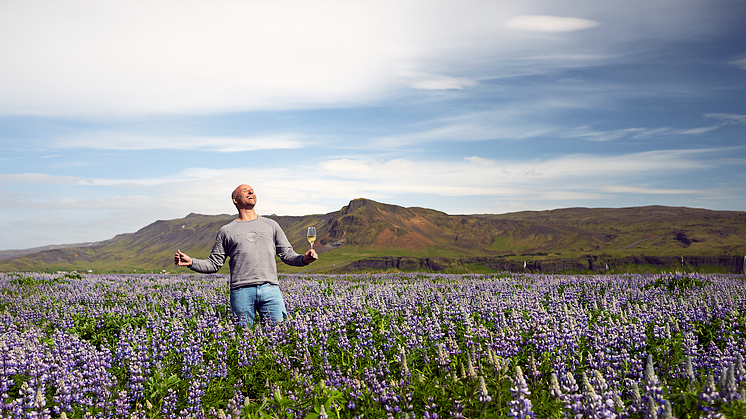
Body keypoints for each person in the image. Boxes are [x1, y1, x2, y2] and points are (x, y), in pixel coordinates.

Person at [174, 184, 318, 326]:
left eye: (252, 190)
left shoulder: (271, 225)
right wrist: (192, 262)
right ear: (235, 199)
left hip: (270, 289)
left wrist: (304, 259)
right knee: (243, 338)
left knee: (280, 334)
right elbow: (214, 264)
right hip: (241, 291)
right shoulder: (226, 231)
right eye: (245, 190)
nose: (251, 191)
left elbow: (287, 255)